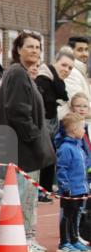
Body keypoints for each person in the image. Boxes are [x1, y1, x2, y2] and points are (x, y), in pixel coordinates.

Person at [0, 31, 54, 252]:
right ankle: (23, 239)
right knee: (23, 197)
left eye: (38, 47)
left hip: (26, 148)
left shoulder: (23, 75)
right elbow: (18, 112)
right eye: (29, 46)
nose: (34, 50)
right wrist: (34, 138)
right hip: (23, 149)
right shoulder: (18, 74)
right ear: (18, 49)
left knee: (27, 196)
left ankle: (27, 237)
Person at [35, 47, 74, 197]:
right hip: (41, 126)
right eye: (63, 65)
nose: (66, 70)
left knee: (50, 157)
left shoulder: (58, 83)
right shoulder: (43, 80)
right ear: (54, 63)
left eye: (70, 67)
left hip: (51, 126)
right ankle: (42, 191)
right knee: (45, 158)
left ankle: (45, 190)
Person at [55, 114, 91, 252]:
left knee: (76, 215)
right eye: (82, 127)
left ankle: (75, 239)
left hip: (80, 188)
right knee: (68, 215)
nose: (84, 130)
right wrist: (65, 187)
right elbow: (62, 168)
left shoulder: (79, 147)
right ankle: (65, 242)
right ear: (74, 130)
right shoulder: (66, 148)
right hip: (70, 190)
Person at [64, 35, 91, 103]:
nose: (85, 54)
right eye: (80, 50)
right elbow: (79, 104)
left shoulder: (80, 72)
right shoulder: (70, 73)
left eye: (86, 50)